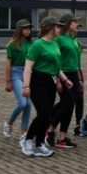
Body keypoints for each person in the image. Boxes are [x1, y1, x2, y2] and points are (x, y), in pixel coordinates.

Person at [21, 17, 65, 157]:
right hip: (38, 81)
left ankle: (39, 144)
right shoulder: (37, 45)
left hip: (50, 82)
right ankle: (27, 140)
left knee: (47, 116)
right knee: (43, 113)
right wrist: (26, 86)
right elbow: (28, 66)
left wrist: (64, 79)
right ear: (50, 27)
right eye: (57, 26)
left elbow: (56, 67)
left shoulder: (55, 44)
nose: (60, 29)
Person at [51, 13, 82, 150]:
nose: (77, 24)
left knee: (70, 105)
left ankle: (62, 137)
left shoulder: (74, 39)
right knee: (67, 102)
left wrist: (79, 79)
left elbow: (77, 61)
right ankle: (50, 129)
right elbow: (56, 60)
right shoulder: (59, 40)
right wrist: (57, 80)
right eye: (75, 22)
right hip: (63, 74)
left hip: (74, 74)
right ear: (68, 23)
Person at [3, 19, 33, 139]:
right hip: (16, 73)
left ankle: (23, 131)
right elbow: (8, 64)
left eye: (29, 28)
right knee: (22, 103)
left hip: (28, 73)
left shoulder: (32, 44)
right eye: (25, 28)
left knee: (28, 104)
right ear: (19, 30)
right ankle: (9, 123)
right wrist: (8, 81)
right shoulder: (12, 44)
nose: (28, 30)